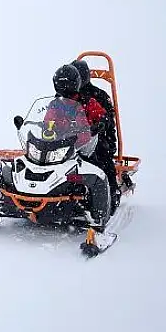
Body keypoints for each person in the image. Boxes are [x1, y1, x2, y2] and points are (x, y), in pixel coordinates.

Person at [51, 64, 115, 225]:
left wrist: (101, 124)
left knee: (102, 163)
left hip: (87, 142)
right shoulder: (56, 103)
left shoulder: (90, 99)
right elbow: (49, 120)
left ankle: (109, 199)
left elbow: (104, 117)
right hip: (62, 144)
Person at [71, 59, 120, 208]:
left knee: (102, 158)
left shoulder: (98, 95)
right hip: (71, 138)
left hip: (98, 137)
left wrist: (98, 126)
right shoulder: (67, 94)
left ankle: (112, 194)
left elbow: (107, 119)